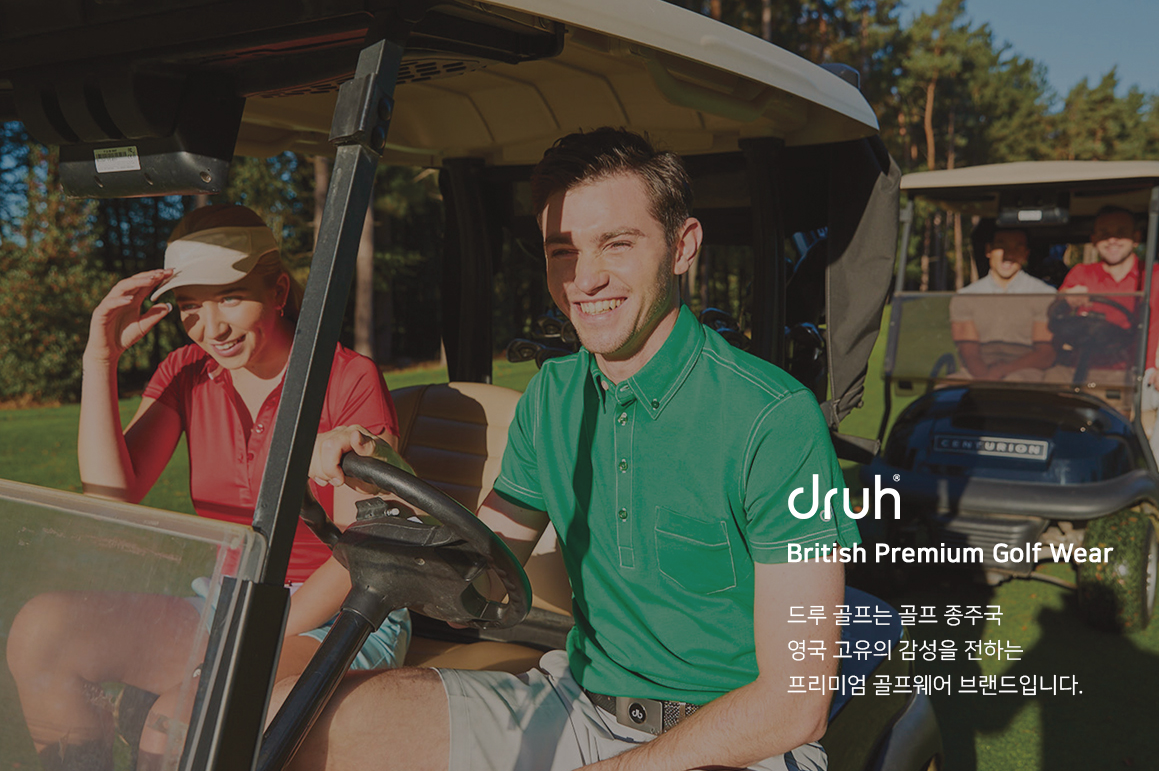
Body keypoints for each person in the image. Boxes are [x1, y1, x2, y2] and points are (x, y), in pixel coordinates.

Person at [292, 128, 860, 771]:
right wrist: (389, 477)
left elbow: (794, 703)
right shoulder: (553, 395)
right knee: (303, 721)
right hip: (579, 703)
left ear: (682, 246)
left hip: (736, 741)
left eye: (617, 244)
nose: (585, 279)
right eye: (562, 251)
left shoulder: (775, 419)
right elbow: (480, 572)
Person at [6, 205, 410, 770]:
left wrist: (249, 635)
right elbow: (110, 495)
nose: (211, 327)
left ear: (278, 290)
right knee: (41, 633)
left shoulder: (346, 378)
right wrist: (100, 358)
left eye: (230, 298)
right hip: (230, 601)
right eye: (191, 307)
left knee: (176, 723)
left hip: (343, 614)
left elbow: (363, 551)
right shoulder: (186, 370)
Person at [1059, 207, 1159, 472]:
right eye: (1104, 233)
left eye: (1121, 232)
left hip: (1139, 379)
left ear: (1136, 237)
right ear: (1094, 239)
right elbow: (1055, 314)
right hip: (1085, 377)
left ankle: (1158, 477)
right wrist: (1066, 301)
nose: (1112, 239)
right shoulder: (1081, 274)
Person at [949, 228, 1056, 381]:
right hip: (977, 372)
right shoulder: (965, 296)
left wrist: (1001, 371)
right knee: (943, 391)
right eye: (1001, 246)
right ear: (988, 250)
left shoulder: (1044, 295)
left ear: (1025, 254)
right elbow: (969, 352)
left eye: (1017, 248)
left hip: (1027, 370)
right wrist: (984, 377)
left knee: (1014, 384)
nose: (1009, 255)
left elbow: (1045, 354)